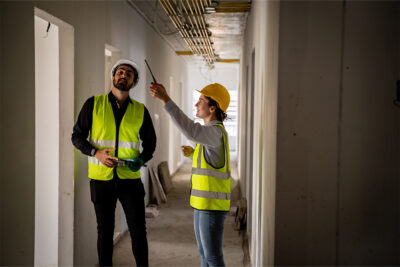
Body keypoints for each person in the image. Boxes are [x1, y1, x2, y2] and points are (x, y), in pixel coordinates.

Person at [72, 59, 156, 266]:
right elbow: (77, 136)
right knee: (105, 231)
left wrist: (141, 159)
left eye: (129, 74)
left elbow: (151, 143)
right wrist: (96, 153)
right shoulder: (94, 104)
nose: (123, 75)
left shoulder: (140, 110)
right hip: (101, 180)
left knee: (138, 230)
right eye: (120, 71)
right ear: (113, 77)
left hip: (130, 180)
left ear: (133, 83)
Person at [150, 82, 231, 267]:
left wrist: (166, 99)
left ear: (212, 108)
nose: (196, 104)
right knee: (205, 254)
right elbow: (214, 161)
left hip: (211, 206)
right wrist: (193, 154)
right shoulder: (211, 134)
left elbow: (191, 130)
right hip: (203, 204)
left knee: (212, 257)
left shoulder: (214, 132)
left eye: (201, 100)